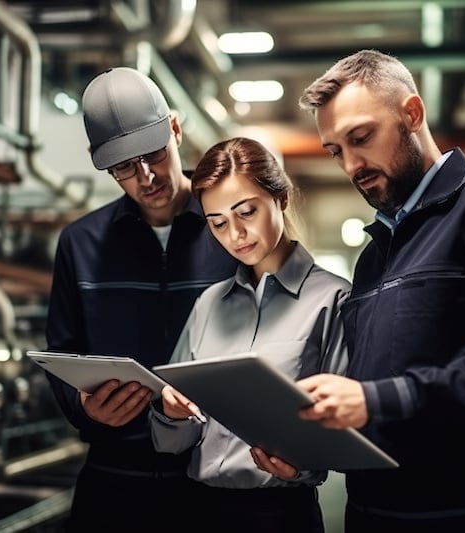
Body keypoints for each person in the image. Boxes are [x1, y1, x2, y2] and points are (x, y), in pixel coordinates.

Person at [254, 49, 465, 532]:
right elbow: (366, 403)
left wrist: (379, 400)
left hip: (463, 515)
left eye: (361, 137)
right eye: (336, 150)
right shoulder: (373, 256)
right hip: (368, 514)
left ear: (412, 114)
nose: (351, 164)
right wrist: (305, 452)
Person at [44, 67, 238, 532]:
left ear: (175, 127)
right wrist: (82, 406)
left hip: (218, 483)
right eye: (124, 167)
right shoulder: (80, 244)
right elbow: (62, 351)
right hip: (116, 485)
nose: (146, 176)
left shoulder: (234, 228)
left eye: (153, 154)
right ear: (98, 159)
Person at [149, 136, 351, 533]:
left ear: (281, 199)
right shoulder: (208, 304)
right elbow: (168, 442)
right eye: (218, 223)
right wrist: (171, 413)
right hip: (196, 510)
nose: (235, 234)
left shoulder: (333, 299)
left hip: (280, 514)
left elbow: (345, 432)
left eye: (246, 212)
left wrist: (301, 463)